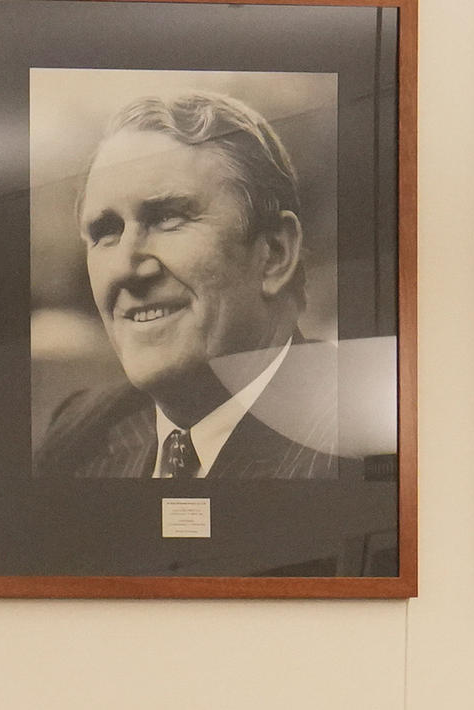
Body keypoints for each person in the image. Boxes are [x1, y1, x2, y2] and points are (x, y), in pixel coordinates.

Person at [32, 92, 332, 484]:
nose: (126, 267)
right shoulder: (80, 435)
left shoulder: (351, 446)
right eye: (106, 232)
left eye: (168, 218)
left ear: (274, 253)